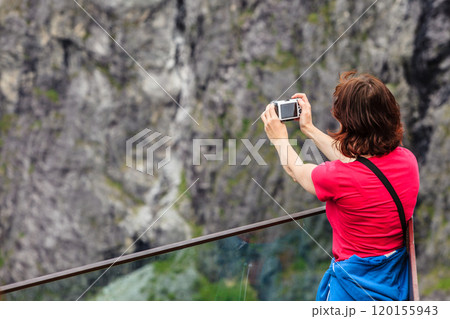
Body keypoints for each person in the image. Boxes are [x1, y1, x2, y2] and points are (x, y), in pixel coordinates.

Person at [260, 71, 420, 301]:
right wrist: (309, 128)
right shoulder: (407, 160)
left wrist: (279, 139)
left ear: (349, 123)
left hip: (352, 287)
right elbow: (360, 162)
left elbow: (297, 171)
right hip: (393, 277)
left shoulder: (337, 177)